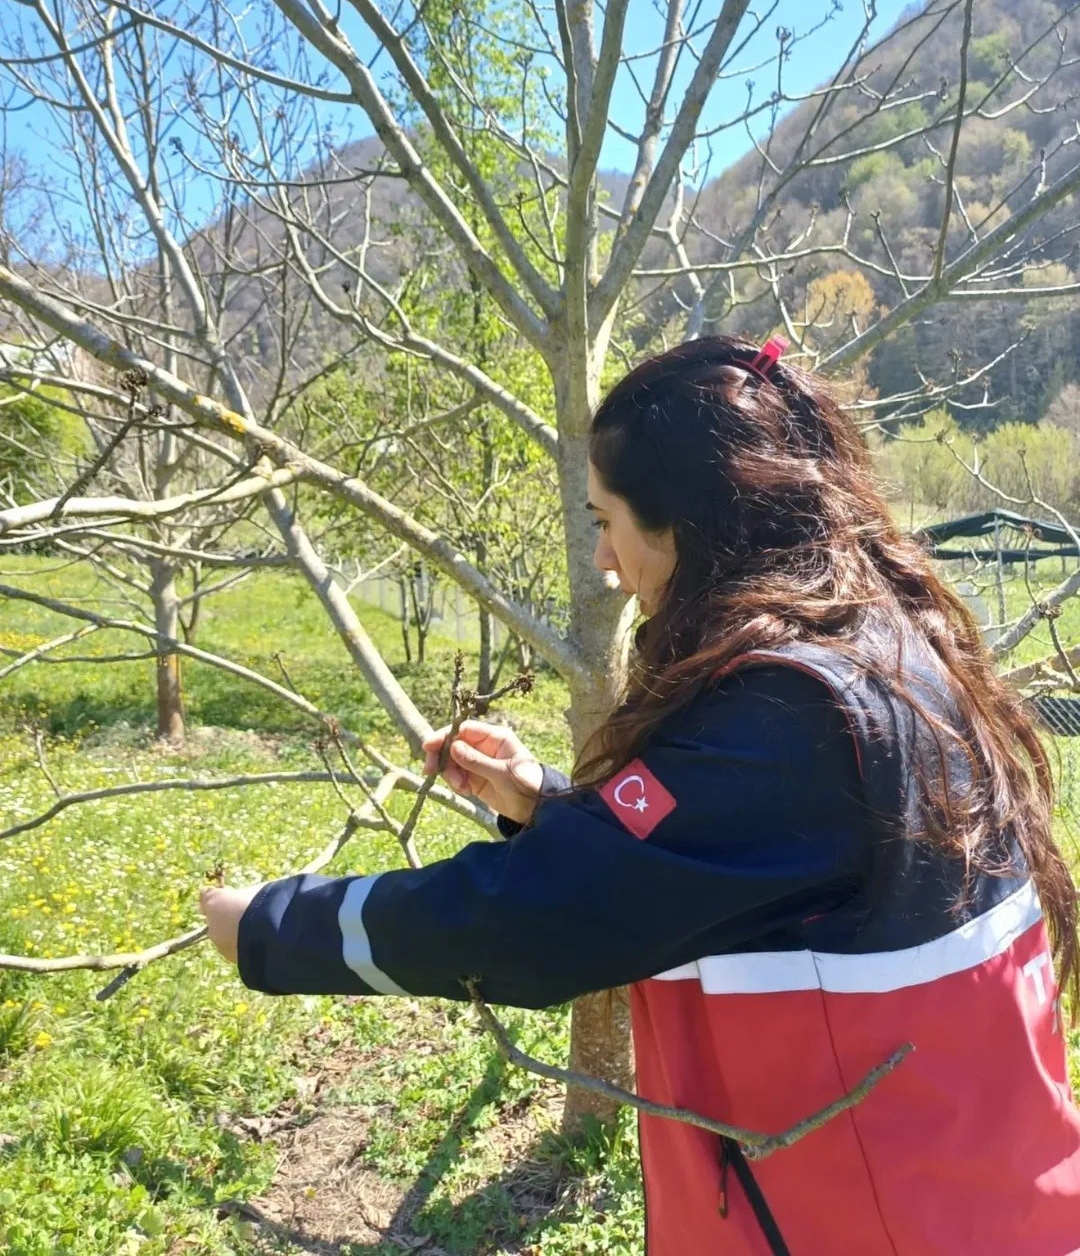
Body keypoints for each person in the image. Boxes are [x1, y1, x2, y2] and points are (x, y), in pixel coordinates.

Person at [200, 334, 1080, 1255]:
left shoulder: (789, 711)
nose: (606, 560)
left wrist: (270, 927)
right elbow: (725, 859)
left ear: (684, 526)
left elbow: (540, 919)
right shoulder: (875, 645)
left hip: (869, 1221)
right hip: (968, 1192)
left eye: (605, 520)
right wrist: (542, 798)